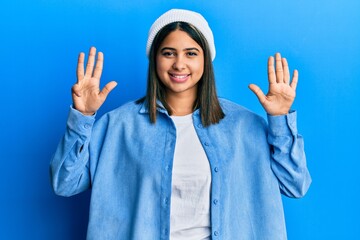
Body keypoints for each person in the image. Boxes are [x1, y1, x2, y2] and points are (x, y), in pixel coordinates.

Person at [50, 9, 311, 240]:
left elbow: (295, 184)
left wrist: (279, 120)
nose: (179, 63)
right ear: (155, 59)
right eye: (168, 53)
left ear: (205, 60)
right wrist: (82, 117)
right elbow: (65, 182)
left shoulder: (245, 126)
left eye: (191, 53)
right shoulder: (118, 126)